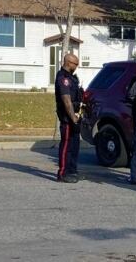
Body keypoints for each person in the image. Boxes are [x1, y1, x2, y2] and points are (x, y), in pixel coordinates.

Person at [55, 53, 84, 183]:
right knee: (66, 146)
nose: (77, 66)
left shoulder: (73, 78)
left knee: (74, 146)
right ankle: (62, 173)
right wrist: (73, 119)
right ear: (68, 63)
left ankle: (72, 171)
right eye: (75, 64)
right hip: (68, 118)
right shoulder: (63, 78)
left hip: (76, 117)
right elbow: (66, 101)